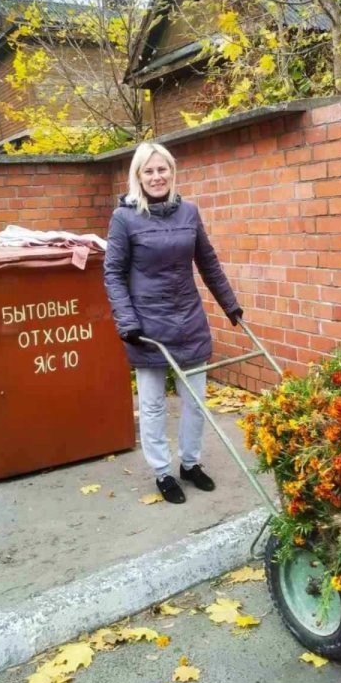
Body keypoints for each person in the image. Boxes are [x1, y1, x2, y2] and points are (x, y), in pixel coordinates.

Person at [104, 142, 243, 505]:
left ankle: (190, 464)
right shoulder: (125, 218)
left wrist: (231, 306)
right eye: (148, 171)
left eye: (162, 169)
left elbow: (208, 262)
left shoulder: (189, 212)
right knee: (152, 405)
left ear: (172, 172)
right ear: (138, 176)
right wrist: (127, 320)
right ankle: (162, 472)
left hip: (188, 319)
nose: (156, 176)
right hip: (146, 325)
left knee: (195, 401)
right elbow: (113, 273)